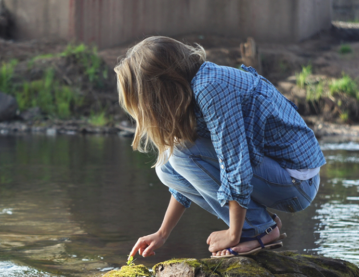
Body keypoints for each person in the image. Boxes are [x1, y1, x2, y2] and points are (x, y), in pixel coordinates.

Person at [115, 36, 326, 259]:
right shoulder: (195, 90)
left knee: (179, 155)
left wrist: (233, 235)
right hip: (280, 176)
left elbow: (235, 165)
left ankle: (259, 230)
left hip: (298, 180)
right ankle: (257, 227)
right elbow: (187, 178)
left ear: (159, 88)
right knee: (167, 166)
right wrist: (162, 233)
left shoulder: (210, 88)